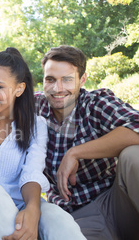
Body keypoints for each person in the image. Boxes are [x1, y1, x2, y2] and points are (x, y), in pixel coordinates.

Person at [0, 50, 85, 240]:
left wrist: (33, 209)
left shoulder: (36, 125)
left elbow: (32, 171)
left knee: (58, 218)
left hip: (21, 201)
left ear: (19, 89)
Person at [35, 45, 139, 239]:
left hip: (115, 200)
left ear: (82, 80)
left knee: (134, 155)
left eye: (66, 79)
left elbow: (137, 126)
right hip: (75, 218)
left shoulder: (95, 103)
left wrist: (76, 152)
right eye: (50, 80)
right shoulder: (35, 108)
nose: (57, 89)